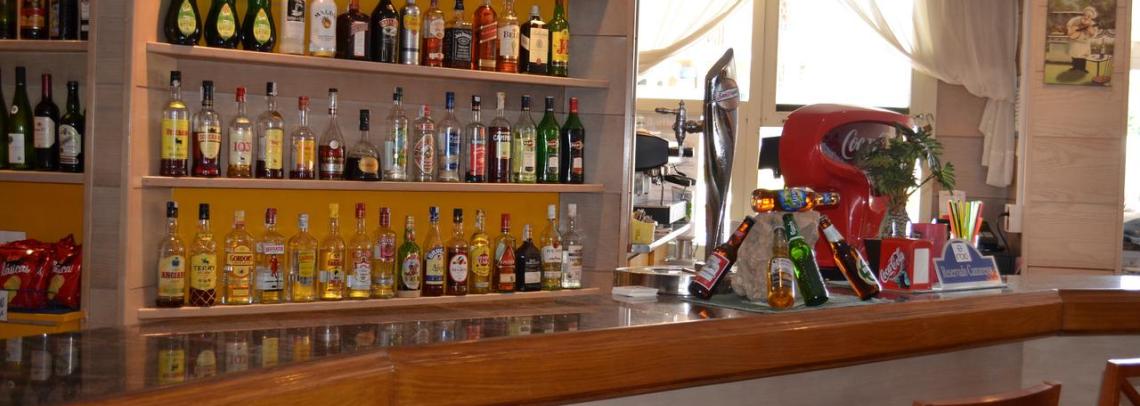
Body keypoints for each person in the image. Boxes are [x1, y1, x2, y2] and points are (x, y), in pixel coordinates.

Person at [1066, 6, 1100, 72]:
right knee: (1074, 54)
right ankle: (1074, 67)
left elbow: (1093, 34)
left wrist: (1090, 31)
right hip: (1075, 40)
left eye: (1089, 16)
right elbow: (1069, 24)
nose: (1086, 17)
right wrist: (1070, 30)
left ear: (1092, 17)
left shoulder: (1092, 24)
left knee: (1083, 55)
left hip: (1084, 42)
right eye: (1085, 15)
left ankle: (1082, 68)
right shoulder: (1077, 19)